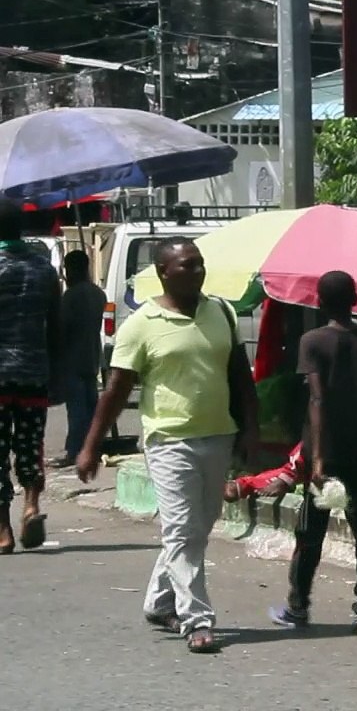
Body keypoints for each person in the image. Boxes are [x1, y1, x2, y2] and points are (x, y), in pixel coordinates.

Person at [76, 237, 258, 653]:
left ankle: (159, 601)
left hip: (219, 434)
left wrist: (251, 428)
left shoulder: (221, 312)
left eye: (199, 264)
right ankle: (196, 618)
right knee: (180, 530)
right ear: (164, 272)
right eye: (187, 266)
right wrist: (90, 445)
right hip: (169, 440)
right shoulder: (141, 325)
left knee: (199, 526)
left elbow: (239, 376)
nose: (197, 272)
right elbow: (117, 389)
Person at [268, 271, 357, 638]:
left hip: (328, 451)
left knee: (310, 533)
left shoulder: (313, 341)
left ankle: (298, 605)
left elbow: (317, 398)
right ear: (355, 299)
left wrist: (318, 458)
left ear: (319, 302)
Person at [0, 199, 61, 554]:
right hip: (35, 369)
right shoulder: (43, 268)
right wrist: (56, 370)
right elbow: (54, 324)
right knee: (30, 444)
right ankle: (31, 505)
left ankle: (4, 530)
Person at [52, 249, 106, 468]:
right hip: (92, 356)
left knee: (77, 410)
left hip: (73, 359)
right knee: (91, 408)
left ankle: (75, 451)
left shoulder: (71, 296)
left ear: (72, 269)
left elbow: (61, 328)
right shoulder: (97, 294)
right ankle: (93, 447)